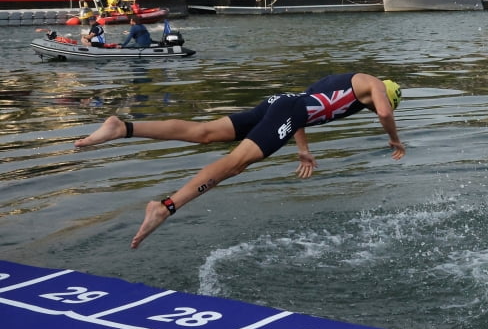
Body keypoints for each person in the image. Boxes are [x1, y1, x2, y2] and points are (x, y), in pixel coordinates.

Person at [73, 73, 405, 249]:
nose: (374, 108)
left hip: (279, 104)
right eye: (375, 104)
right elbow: (386, 112)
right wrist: (393, 137)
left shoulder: (341, 84)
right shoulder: (371, 82)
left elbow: (301, 108)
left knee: (203, 133)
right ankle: (166, 206)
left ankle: (123, 128)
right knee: (236, 163)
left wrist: (302, 149)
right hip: (286, 110)